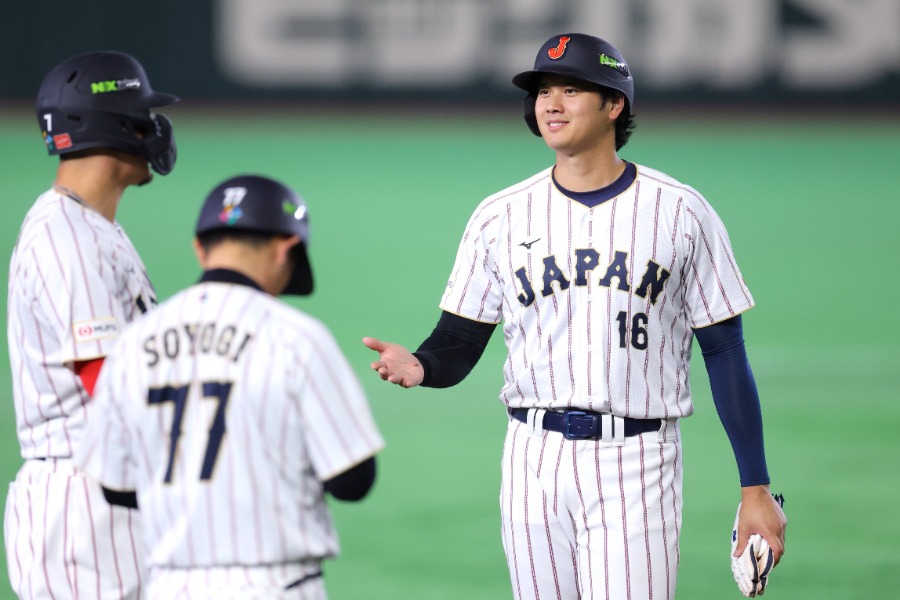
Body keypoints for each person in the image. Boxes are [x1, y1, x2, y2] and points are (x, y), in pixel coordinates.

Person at [363, 33, 786, 599]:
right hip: (532, 458)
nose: (552, 103)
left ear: (614, 105)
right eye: (543, 91)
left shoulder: (680, 211)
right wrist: (422, 365)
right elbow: (459, 339)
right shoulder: (499, 216)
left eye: (570, 90)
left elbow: (725, 351)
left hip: (637, 460)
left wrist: (755, 487)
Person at [72, 174, 384, 599]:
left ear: (200, 248)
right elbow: (354, 480)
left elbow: (117, 487)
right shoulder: (294, 336)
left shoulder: (133, 344)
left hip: (169, 585)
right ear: (286, 249)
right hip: (274, 584)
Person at [4, 50, 179, 599]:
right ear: (117, 125)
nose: (155, 127)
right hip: (83, 508)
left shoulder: (91, 226)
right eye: (144, 114)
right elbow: (106, 381)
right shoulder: (68, 239)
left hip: (107, 492)